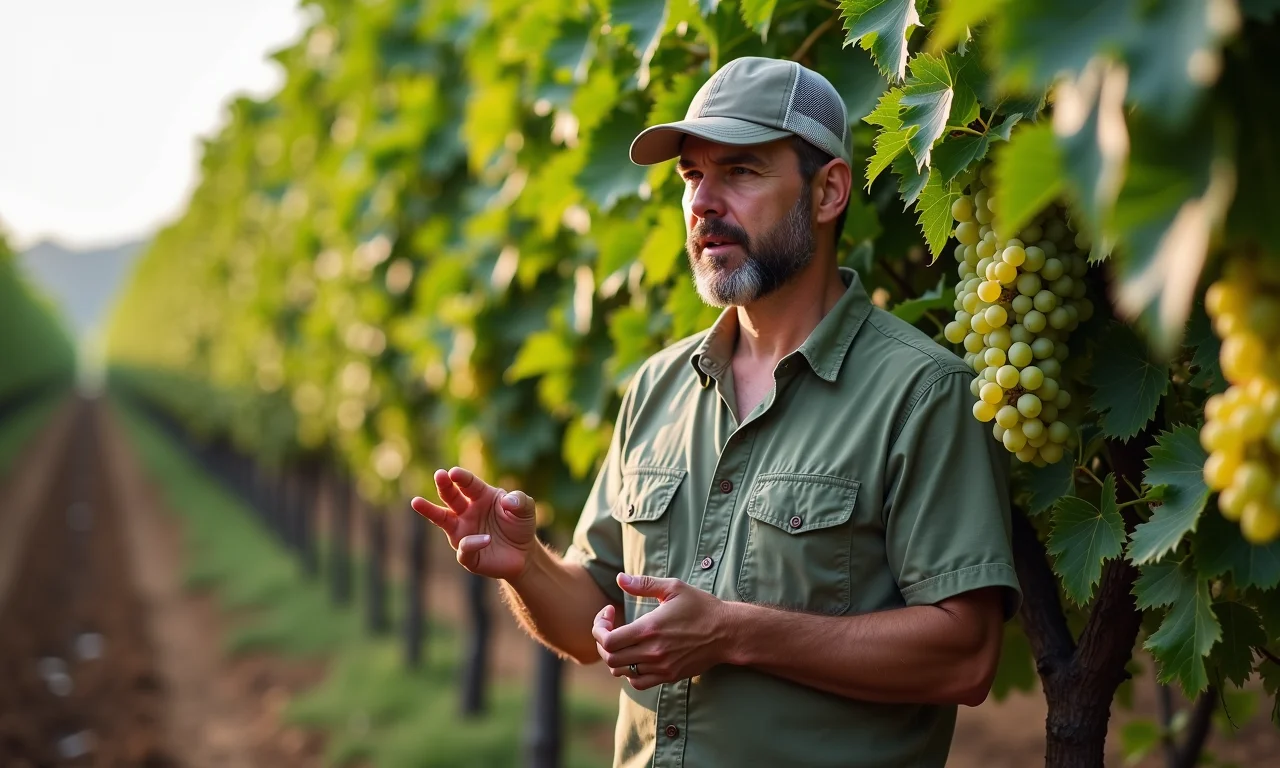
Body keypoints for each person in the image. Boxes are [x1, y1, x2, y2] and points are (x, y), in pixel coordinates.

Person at [412, 56, 1021, 768]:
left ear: (828, 192)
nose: (703, 202)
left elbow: (965, 657)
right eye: (692, 175)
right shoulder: (657, 387)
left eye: (740, 171)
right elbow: (593, 619)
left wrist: (734, 632)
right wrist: (526, 567)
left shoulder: (921, 393)